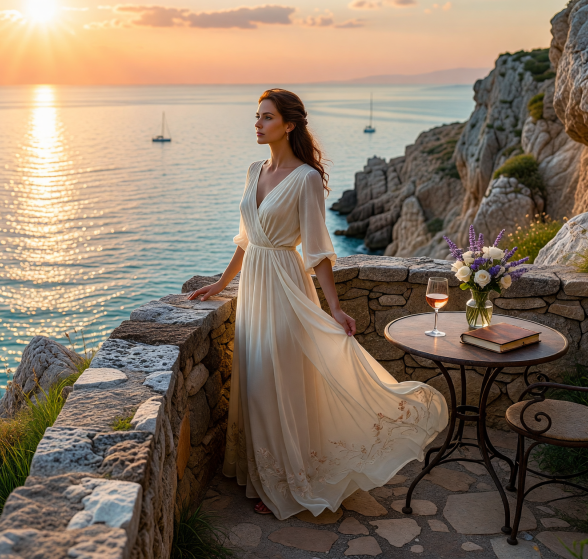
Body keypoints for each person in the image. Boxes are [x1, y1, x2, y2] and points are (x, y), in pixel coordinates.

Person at [187, 89, 449, 520]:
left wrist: (335, 307)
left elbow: (318, 251)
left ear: (288, 125)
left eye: (266, 118)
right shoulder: (254, 169)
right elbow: (246, 239)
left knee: (280, 383)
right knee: (256, 381)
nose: (257, 124)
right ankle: (263, 473)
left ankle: (291, 482)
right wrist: (220, 283)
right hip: (254, 286)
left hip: (285, 288)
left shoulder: (306, 178)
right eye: (256, 117)